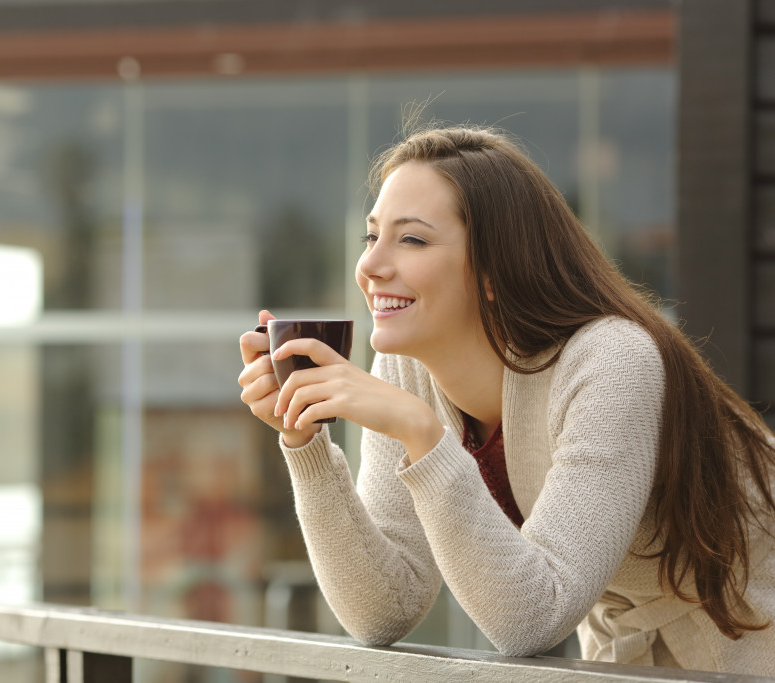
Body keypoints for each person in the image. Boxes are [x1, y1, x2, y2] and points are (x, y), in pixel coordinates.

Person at [237, 124, 775, 674]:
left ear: (495, 270)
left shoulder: (612, 361)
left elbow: (533, 618)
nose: (371, 266)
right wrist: (304, 442)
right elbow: (382, 609)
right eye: (371, 237)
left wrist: (422, 434)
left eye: (412, 239)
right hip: (624, 658)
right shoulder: (405, 364)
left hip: (752, 633)